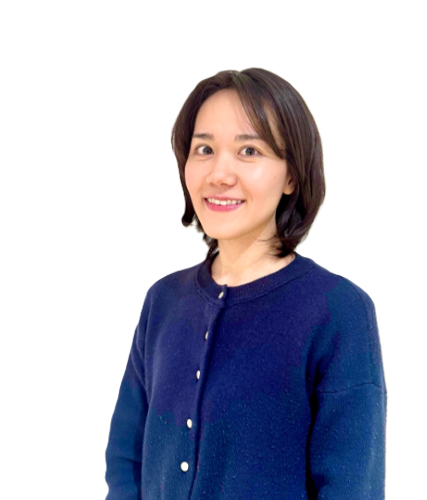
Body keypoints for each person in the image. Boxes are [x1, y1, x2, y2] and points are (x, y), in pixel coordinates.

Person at [104, 68, 387, 499]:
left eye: (249, 151)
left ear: (291, 175)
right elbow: (127, 461)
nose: (220, 173)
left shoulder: (338, 311)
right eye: (204, 149)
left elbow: (352, 487)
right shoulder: (163, 301)